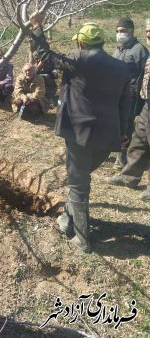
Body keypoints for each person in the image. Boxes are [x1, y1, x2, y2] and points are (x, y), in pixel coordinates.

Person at [30, 14, 130, 253]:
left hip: (80, 133)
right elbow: (125, 104)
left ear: (82, 43)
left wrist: (37, 28)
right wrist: (123, 133)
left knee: (78, 182)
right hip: (108, 138)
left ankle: (82, 240)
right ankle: (66, 220)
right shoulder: (120, 67)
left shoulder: (78, 58)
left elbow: (45, 56)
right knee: (79, 179)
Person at [105, 18, 150, 201]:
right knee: (138, 141)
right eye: (148, 31)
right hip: (147, 103)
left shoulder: (140, 51)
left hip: (137, 99)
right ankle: (129, 177)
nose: (148, 34)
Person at [111, 17, 148, 169]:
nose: (120, 34)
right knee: (116, 123)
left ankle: (122, 157)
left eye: (123, 31)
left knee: (126, 125)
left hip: (131, 96)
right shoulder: (118, 48)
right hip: (115, 93)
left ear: (131, 32)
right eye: (118, 31)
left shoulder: (139, 50)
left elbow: (143, 74)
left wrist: (139, 97)